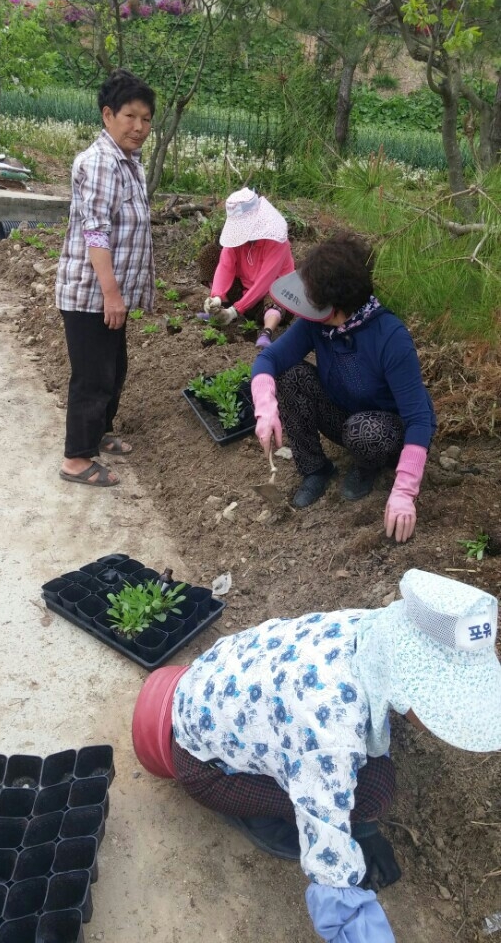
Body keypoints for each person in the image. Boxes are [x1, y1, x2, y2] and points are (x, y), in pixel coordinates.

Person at [133, 568, 501, 943]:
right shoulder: (331, 729)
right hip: (202, 767)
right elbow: (332, 875)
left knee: (368, 775)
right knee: (372, 792)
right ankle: (254, 816)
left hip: (209, 681)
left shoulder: (369, 628)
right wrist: (355, 837)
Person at [251, 234, 436, 541]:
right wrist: (264, 405)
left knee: (365, 431)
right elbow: (270, 358)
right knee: (291, 375)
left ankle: (368, 468)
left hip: (386, 431)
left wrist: (405, 489)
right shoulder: (316, 323)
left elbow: (419, 419)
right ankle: (315, 469)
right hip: (343, 414)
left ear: (337, 307)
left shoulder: (390, 338)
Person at [56, 69, 155, 487]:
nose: (138, 127)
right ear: (108, 114)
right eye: (130, 116)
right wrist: (111, 294)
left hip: (111, 295)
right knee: (93, 376)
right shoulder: (99, 163)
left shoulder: (128, 162)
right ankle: (76, 459)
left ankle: (98, 434)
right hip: (91, 294)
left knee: (113, 370)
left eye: (146, 119)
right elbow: (95, 231)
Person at [198, 187, 295, 349]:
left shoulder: (277, 241)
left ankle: (266, 332)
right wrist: (217, 296)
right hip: (244, 294)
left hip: (271, 297)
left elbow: (265, 281)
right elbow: (225, 266)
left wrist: (237, 309)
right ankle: (221, 312)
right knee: (209, 253)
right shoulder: (236, 240)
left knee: (276, 294)